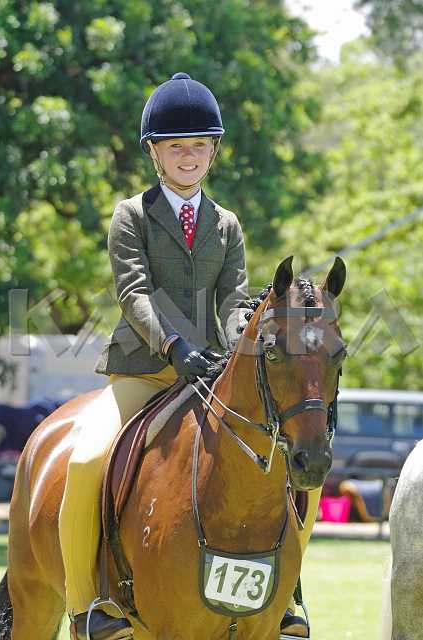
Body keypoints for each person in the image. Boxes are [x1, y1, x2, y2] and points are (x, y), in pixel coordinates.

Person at [58, 71, 318, 640]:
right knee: (86, 461)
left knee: (300, 472)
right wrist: (174, 345)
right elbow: (134, 292)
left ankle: (286, 598)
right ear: (155, 153)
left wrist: (236, 339)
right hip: (146, 370)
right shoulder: (132, 215)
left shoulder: (227, 224)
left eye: (199, 145)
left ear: (213, 151)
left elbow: (232, 300)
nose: (189, 156)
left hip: (212, 374)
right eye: (176, 146)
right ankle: (88, 605)